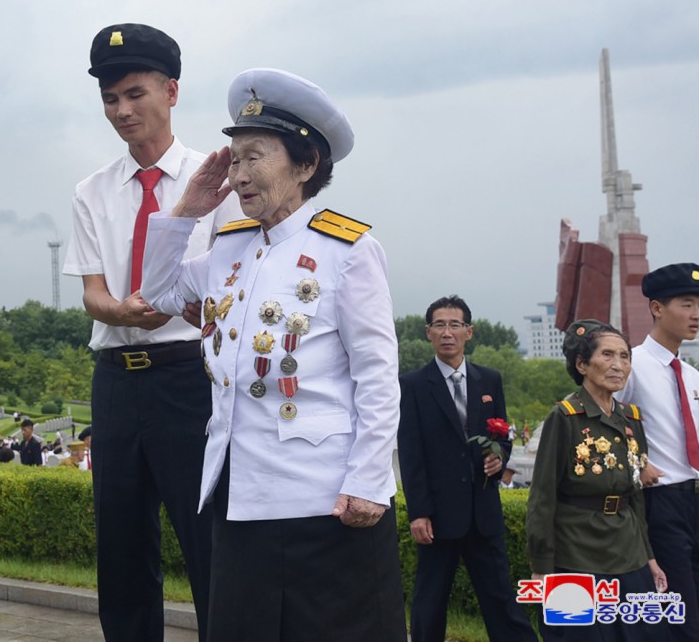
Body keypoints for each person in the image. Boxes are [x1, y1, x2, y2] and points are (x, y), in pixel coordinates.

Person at [141, 67, 405, 640]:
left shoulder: (347, 249)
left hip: (323, 499)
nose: (237, 175)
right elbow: (157, 294)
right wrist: (186, 209)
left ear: (306, 165)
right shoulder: (229, 248)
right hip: (239, 490)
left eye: (254, 157)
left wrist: (367, 480)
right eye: (233, 159)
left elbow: (378, 376)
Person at [61, 22, 242, 642]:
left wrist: (169, 306)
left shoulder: (217, 181)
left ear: (170, 91)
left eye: (135, 93)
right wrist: (123, 312)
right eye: (110, 98)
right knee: (121, 546)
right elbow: (92, 294)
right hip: (115, 382)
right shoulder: (92, 192)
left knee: (207, 540)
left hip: (186, 377)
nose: (122, 110)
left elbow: (231, 282)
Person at [398, 295, 536, 642]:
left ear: (469, 332)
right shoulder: (412, 385)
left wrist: (500, 457)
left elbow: (502, 433)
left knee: (501, 599)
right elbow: (412, 454)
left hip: (483, 510)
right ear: (428, 332)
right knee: (429, 603)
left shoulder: (489, 379)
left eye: (455, 325)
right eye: (439, 325)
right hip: (438, 517)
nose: (448, 332)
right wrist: (419, 513)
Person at [527, 319, 668, 640]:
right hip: (576, 551)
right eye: (607, 355)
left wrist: (649, 556)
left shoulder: (630, 418)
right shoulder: (564, 417)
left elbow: (635, 495)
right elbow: (542, 497)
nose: (618, 365)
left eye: (624, 356)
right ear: (582, 364)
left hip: (628, 550)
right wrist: (541, 565)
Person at [615, 262, 699, 640]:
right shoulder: (629, 366)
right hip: (661, 503)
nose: (696, 315)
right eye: (687, 304)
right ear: (656, 308)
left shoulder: (692, 374)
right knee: (680, 608)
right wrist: (638, 461)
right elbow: (596, 425)